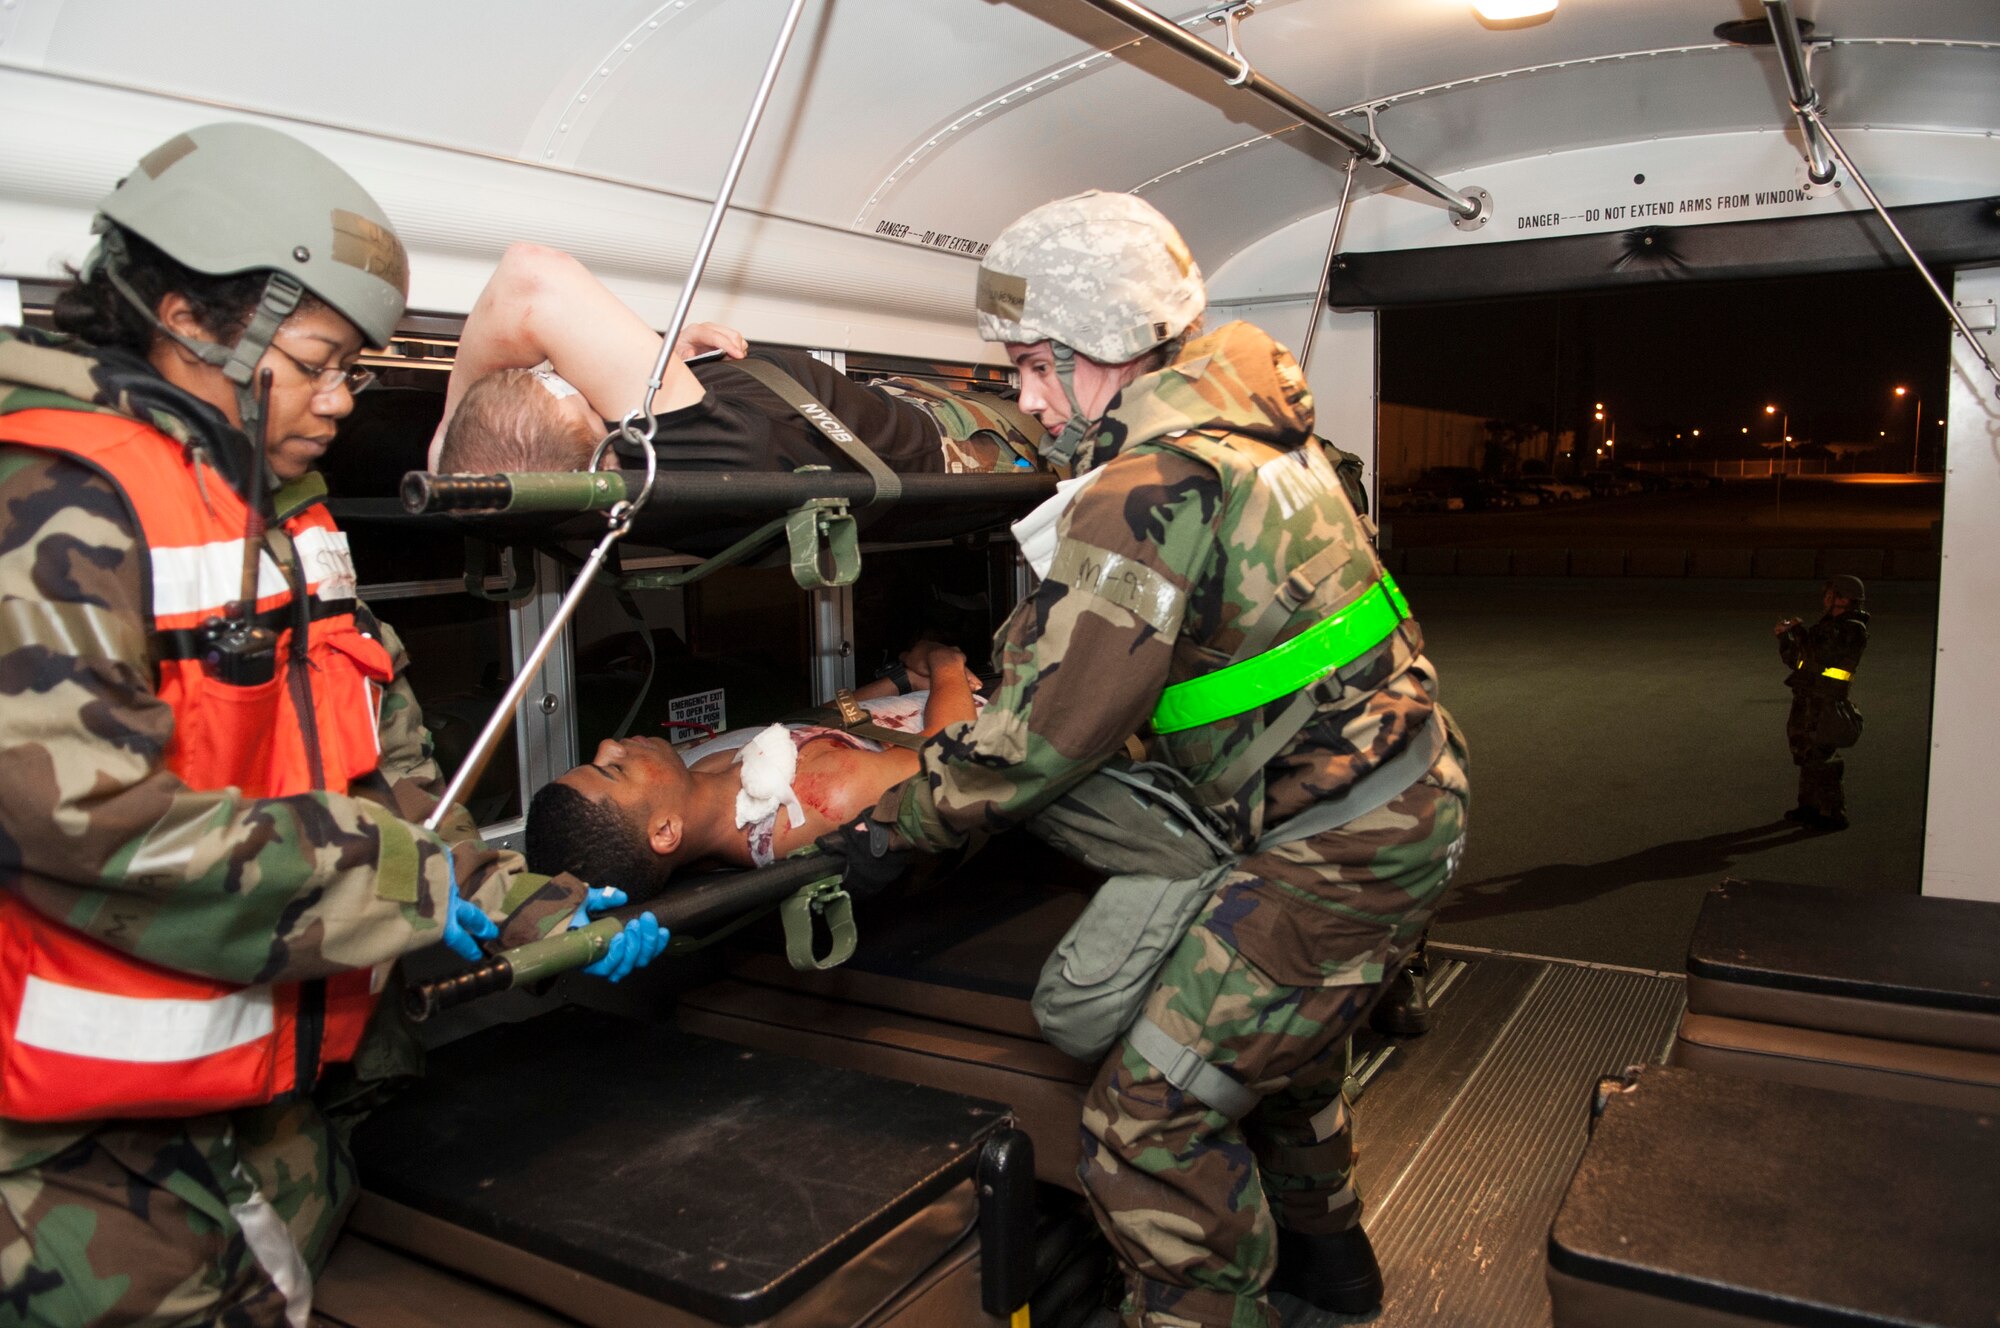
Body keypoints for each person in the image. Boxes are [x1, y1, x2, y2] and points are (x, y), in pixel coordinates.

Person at [0, 123, 665, 1326]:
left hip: (268, 1111)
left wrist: (516, 897)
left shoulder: (284, 521)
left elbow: (386, 774)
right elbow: (86, 822)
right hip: (73, 1172)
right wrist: (399, 888)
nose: (342, 398)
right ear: (195, 321)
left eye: (356, 366)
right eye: (317, 361)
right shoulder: (50, 504)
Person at [831, 192, 1469, 1328]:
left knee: (1148, 1121)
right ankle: (1331, 1266)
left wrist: (895, 825)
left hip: (1341, 841)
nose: (1023, 396)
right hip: (1394, 797)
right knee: (1285, 1043)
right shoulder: (1261, 427)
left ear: (1110, 349)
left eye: (1034, 365)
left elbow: (1045, 732)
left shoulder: (1146, 489)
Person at [430, 242, 1048, 476]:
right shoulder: (678, 434)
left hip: (896, 393)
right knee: (1049, 412)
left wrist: (667, 355)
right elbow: (530, 277)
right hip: (952, 434)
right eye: (567, 388)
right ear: (601, 448)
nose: (575, 377)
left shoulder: (670, 430)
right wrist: (445, 433)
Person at [526, 644, 979, 893]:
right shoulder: (823, 797)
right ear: (666, 832)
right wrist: (945, 662)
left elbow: (804, 728)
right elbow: (953, 759)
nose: (608, 745)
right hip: (984, 709)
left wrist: (899, 679)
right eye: (612, 771)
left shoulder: (702, 774)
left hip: (925, 694)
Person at [1775, 574, 1869, 831]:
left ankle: (1833, 812)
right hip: (1810, 696)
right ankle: (1810, 806)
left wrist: (1795, 632)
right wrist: (1787, 637)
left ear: (1844, 599)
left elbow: (1814, 654)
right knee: (1805, 751)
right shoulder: (1833, 623)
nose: (1825, 599)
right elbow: (1800, 660)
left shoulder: (1850, 628)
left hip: (1825, 699)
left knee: (1822, 755)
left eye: (1831, 595)